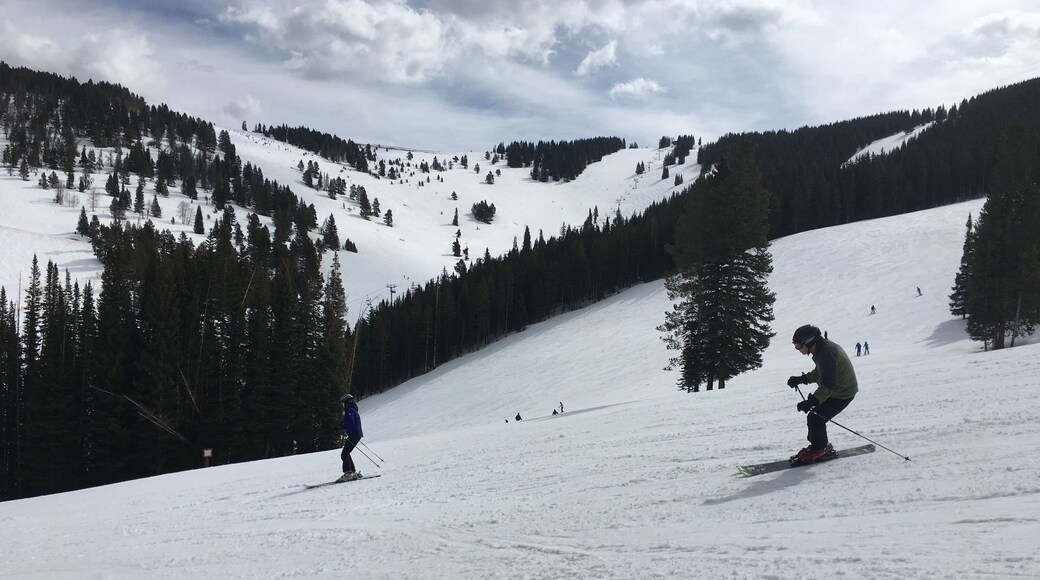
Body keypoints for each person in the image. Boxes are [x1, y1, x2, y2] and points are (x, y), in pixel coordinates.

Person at [786, 325, 858, 463]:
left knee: (815, 418)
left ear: (808, 342)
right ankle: (818, 447)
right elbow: (820, 372)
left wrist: (811, 401)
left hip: (843, 393)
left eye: (798, 346)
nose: (797, 349)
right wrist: (802, 379)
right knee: (815, 417)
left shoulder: (826, 353)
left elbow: (828, 385)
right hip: (838, 389)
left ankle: (820, 450)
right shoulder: (821, 349)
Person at [337, 394, 364, 482]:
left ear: (347, 402)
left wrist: (341, 426)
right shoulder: (352, 409)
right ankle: (352, 472)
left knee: (344, 454)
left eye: (343, 403)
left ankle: (348, 473)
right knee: (346, 453)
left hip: (354, 435)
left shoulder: (349, 410)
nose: (342, 405)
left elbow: (350, 423)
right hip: (355, 434)